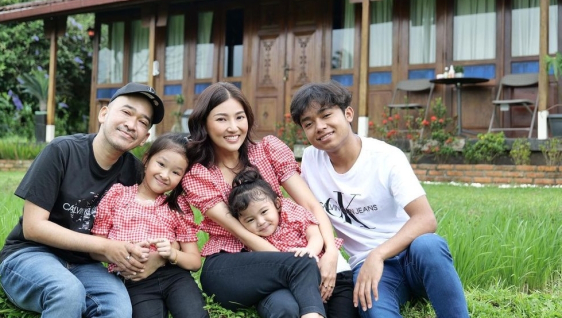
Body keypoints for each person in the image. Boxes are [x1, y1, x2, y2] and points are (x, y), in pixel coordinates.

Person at [289, 80, 470, 318]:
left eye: (326, 115)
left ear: (348, 114)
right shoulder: (311, 161)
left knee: (429, 245)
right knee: (375, 312)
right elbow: (306, 214)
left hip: (413, 257)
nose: (320, 127)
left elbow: (426, 219)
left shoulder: (386, 157)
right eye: (309, 123)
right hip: (371, 270)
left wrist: (378, 254)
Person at [0, 82, 168, 318]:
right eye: (127, 112)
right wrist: (105, 247)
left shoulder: (136, 174)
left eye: (142, 122)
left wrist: (154, 258)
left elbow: (167, 218)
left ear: (144, 138)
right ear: (104, 114)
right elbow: (33, 227)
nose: (131, 125)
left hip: (86, 265)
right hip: (30, 254)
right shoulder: (62, 151)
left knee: (118, 308)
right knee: (67, 292)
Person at [182, 82, 340, 318]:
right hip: (229, 267)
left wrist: (331, 252)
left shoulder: (267, 150)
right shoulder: (199, 174)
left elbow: (310, 205)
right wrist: (295, 262)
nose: (233, 127)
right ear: (204, 123)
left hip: (278, 268)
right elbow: (241, 232)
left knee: (286, 308)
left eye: (239, 117)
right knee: (304, 263)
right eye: (222, 119)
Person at [91, 132, 209, 318]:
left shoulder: (177, 206)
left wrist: (171, 254)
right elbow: (95, 249)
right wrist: (123, 252)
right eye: (161, 164)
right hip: (134, 281)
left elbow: (194, 262)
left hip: (174, 277)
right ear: (146, 160)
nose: (165, 175)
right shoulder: (117, 196)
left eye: (176, 172)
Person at [228, 168, 358, 318]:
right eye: (250, 220)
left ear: (277, 204)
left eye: (264, 212)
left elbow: (315, 235)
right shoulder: (255, 241)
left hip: (335, 275)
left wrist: (310, 251)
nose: (261, 222)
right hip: (306, 288)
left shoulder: (291, 213)